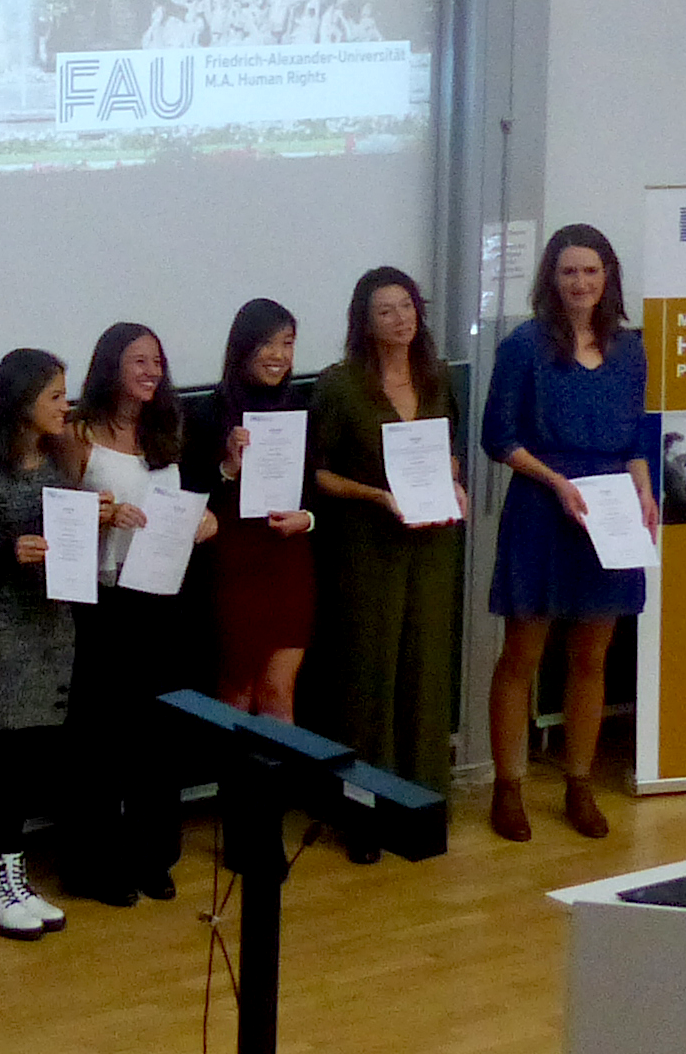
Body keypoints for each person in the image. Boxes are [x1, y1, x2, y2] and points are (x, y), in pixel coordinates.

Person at [482, 225, 659, 844]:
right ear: (550, 280)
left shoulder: (631, 349)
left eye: (590, 271)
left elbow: (635, 435)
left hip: (609, 508)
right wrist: (556, 482)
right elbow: (498, 438)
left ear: (608, 276)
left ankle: (579, 784)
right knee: (523, 654)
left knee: (592, 656)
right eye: (568, 272)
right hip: (543, 504)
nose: (580, 283)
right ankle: (509, 788)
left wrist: (643, 489)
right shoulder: (523, 346)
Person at [309, 268, 465, 855]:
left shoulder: (437, 378)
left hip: (430, 543)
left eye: (407, 307)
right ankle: (363, 815)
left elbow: (446, 456)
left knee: (425, 675)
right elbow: (319, 475)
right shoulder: (340, 384)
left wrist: (455, 485)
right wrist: (377, 495)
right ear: (364, 323)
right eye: (385, 311)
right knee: (369, 680)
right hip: (367, 546)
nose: (400, 319)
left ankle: (418, 811)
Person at [62, 320, 216, 904]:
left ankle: (155, 855)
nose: (151, 372)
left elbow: (194, 499)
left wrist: (208, 522)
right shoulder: (77, 432)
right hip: (103, 601)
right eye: (138, 362)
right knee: (102, 737)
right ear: (111, 367)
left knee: (159, 733)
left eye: (157, 362)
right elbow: (55, 516)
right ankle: (96, 863)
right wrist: (99, 515)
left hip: (162, 595)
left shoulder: (166, 427)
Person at [0, 347, 78, 939]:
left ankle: (14, 872)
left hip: (50, 626)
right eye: (54, 395)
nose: (64, 405)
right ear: (23, 402)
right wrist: (6, 551)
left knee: (27, 758)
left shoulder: (58, 465)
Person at [183, 298, 317, 720]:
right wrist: (227, 466)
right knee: (238, 690)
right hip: (233, 560)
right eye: (267, 344)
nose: (279, 355)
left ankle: (279, 789)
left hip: (288, 556)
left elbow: (318, 486)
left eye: (288, 343)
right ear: (242, 347)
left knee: (279, 688)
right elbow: (187, 492)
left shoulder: (301, 407)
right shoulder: (209, 411)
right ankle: (237, 786)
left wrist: (308, 518)